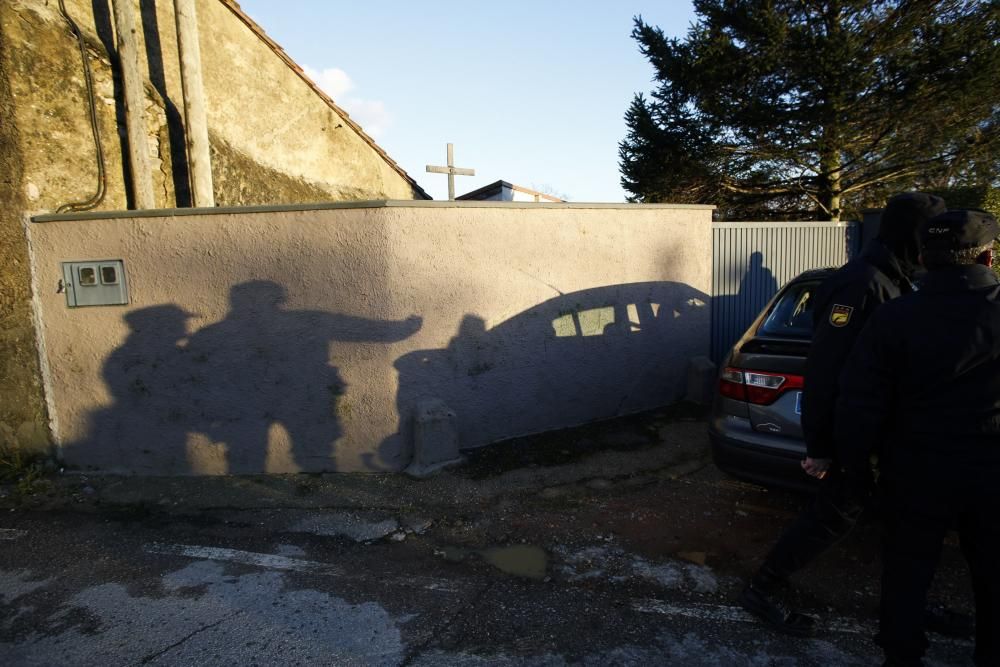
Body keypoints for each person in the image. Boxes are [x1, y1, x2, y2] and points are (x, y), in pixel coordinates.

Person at [738, 192, 947, 635]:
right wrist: (820, 445)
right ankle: (762, 588)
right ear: (912, 235)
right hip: (860, 433)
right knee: (834, 513)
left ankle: (909, 603)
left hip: (889, 431)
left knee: (902, 519)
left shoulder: (896, 279)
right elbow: (826, 369)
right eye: (929, 235)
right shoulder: (863, 283)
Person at [837, 209, 1000, 666]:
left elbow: (859, 401)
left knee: (907, 574)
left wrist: (855, 471)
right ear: (987, 255)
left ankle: (902, 657)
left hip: (916, 471)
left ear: (925, 259)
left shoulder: (893, 318)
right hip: (992, 474)